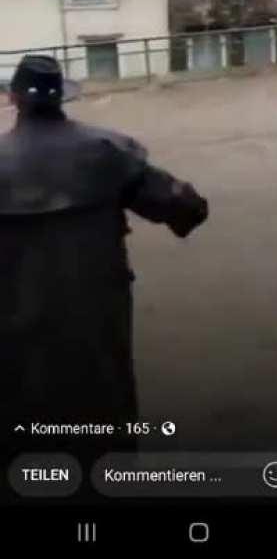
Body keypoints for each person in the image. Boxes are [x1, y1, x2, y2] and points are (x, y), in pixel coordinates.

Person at [0, 55, 208, 431]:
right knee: (104, 415)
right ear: (62, 96)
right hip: (95, 320)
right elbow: (183, 205)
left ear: (13, 98)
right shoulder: (107, 151)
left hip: (14, 324)